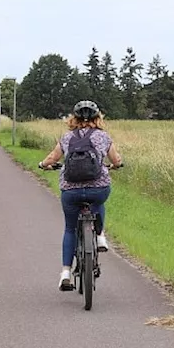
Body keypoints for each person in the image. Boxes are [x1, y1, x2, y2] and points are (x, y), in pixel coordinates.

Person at [37, 100, 123, 291]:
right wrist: (116, 165)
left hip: (71, 190)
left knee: (69, 228)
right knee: (98, 199)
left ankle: (65, 273)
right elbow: (116, 160)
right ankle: (100, 236)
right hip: (97, 188)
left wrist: (43, 165)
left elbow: (52, 158)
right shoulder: (103, 137)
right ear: (98, 118)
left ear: (73, 119)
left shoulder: (67, 138)